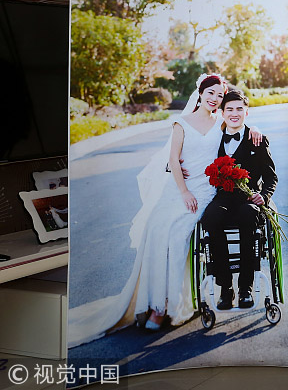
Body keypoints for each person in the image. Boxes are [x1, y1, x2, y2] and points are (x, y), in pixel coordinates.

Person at [67, 73, 260, 346]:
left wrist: (253, 130)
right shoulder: (181, 123)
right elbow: (172, 159)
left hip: (208, 190)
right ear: (201, 92)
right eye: (211, 93)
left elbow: (238, 131)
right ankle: (154, 303)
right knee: (156, 227)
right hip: (183, 188)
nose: (216, 99)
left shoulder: (220, 122)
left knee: (177, 232)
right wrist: (183, 191)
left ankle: (168, 305)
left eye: (220, 95)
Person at [200, 86, 277, 310]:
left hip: (250, 199)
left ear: (247, 112)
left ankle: (246, 287)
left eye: (239, 109)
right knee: (211, 219)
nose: (235, 113)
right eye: (230, 109)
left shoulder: (258, 140)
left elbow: (272, 177)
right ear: (222, 113)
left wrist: (264, 195)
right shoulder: (214, 139)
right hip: (224, 197)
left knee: (246, 216)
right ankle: (225, 287)